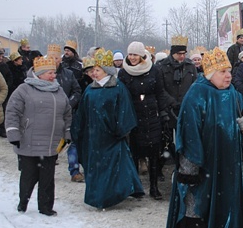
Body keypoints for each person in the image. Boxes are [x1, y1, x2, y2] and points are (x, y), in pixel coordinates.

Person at [163, 46, 243, 228]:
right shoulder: (197, 94)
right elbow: (189, 133)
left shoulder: (232, 93)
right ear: (210, 73)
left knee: (227, 209)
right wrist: (190, 168)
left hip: (229, 164)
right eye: (223, 71)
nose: (228, 76)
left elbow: (241, 114)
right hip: (204, 165)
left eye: (229, 71)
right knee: (199, 212)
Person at [71, 48, 144, 209]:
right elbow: (82, 113)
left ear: (106, 71)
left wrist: (120, 130)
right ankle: (98, 196)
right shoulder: (90, 90)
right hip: (93, 137)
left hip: (112, 136)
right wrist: (78, 130)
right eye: (93, 70)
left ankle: (112, 195)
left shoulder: (118, 88)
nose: (94, 73)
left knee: (114, 167)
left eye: (97, 70)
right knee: (96, 168)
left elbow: (125, 110)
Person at [5, 56, 72, 216]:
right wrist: (13, 133)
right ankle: (23, 202)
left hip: (51, 142)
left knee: (48, 178)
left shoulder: (59, 90)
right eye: (50, 73)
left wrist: (67, 132)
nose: (53, 76)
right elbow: (12, 111)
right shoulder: (24, 89)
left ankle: (46, 206)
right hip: (29, 141)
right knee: (29, 176)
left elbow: (67, 114)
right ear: (39, 74)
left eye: (54, 73)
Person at [119, 41, 169, 200]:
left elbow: (160, 93)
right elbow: (121, 96)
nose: (132, 58)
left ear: (142, 55)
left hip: (152, 115)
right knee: (134, 152)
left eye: (135, 54)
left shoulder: (154, 70)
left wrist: (163, 113)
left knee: (154, 153)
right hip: (134, 116)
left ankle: (154, 187)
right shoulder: (123, 73)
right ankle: (135, 186)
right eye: (130, 54)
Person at [47, 44, 83, 183]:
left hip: (68, 114)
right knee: (52, 142)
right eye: (51, 58)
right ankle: (48, 166)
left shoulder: (68, 74)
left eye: (56, 58)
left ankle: (74, 170)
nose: (54, 60)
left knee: (71, 141)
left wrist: (69, 104)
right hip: (49, 115)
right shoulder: (42, 76)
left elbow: (77, 91)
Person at [157, 35, 198, 129]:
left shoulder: (190, 66)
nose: (182, 56)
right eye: (179, 54)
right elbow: (160, 89)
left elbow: (195, 85)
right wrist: (171, 102)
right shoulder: (162, 66)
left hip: (186, 107)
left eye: (184, 53)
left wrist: (187, 100)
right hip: (168, 109)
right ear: (173, 53)